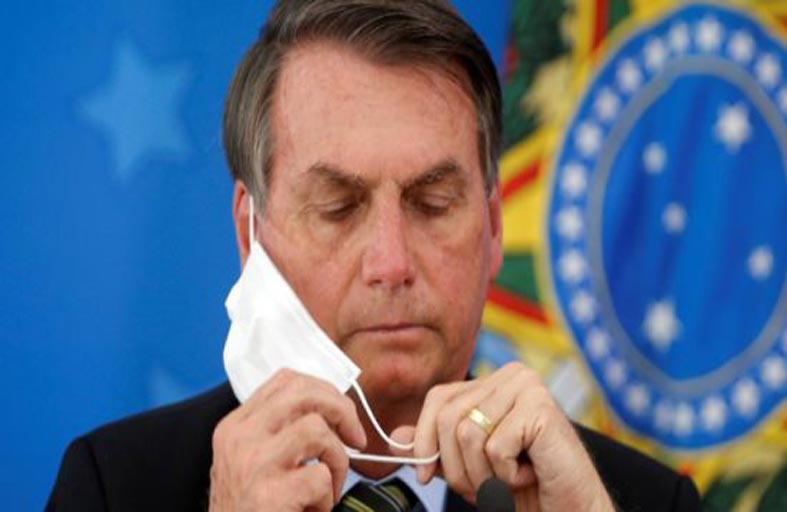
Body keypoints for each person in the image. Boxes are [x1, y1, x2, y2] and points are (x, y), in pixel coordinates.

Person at [47, 1, 701, 510]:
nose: (391, 264)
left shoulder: (632, 500)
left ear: (494, 225)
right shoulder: (114, 488)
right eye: (338, 208)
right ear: (251, 234)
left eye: (432, 203)